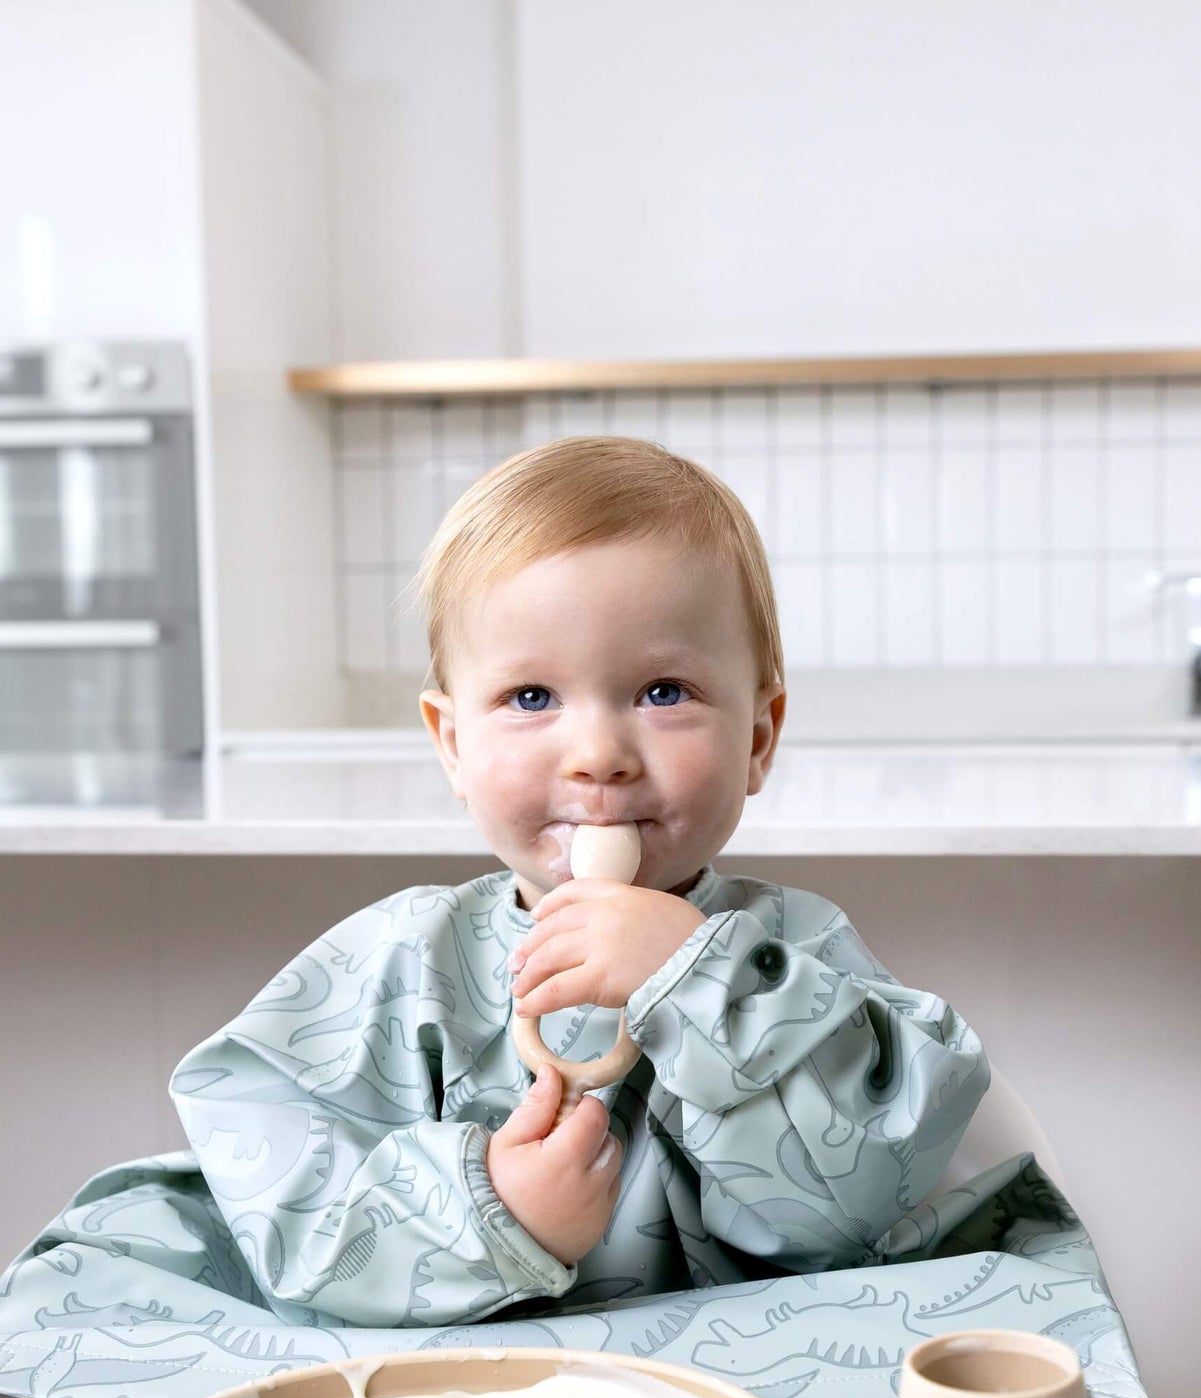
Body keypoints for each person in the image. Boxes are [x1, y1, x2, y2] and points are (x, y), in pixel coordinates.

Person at [171, 434, 990, 1329]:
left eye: (663, 691)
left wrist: (706, 979)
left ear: (757, 737)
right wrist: (489, 1207)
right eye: (530, 698)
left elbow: (857, 1202)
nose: (599, 755)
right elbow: (280, 1192)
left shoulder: (798, 952)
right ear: (453, 742)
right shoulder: (400, 964)